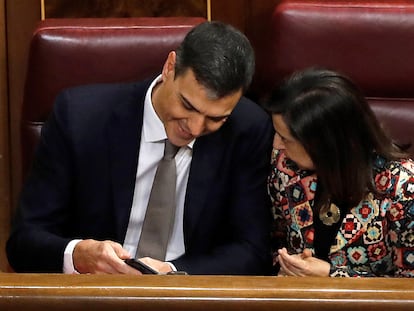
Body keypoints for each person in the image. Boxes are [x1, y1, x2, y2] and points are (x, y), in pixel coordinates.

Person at [6, 21, 274, 275]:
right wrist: (78, 254)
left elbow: (252, 250)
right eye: (187, 106)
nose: (194, 128)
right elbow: (24, 241)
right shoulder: (79, 119)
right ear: (170, 67)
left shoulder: (247, 129)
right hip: (95, 293)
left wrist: (173, 273)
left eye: (215, 118)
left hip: (191, 294)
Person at [264, 68, 414, 277]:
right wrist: (286, 264)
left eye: (286, 138)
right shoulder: (285, 167)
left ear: (323, 144)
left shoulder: (403, 186)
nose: (277, 145)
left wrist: (332, 276)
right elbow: (275, 239)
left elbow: (408, 287)